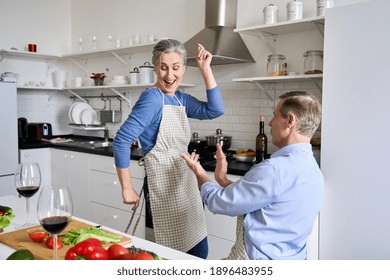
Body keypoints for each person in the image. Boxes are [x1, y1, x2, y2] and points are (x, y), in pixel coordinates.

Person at [113, 39, 224, 259]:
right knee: (169, 258)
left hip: (186, 188)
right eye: (163, 67)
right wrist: (126, 187)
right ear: (155, 68)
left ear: (184, 68)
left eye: (176, 68)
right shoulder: (152, 98)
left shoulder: (180, 99)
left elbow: (215, 110)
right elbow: (122, 140)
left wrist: (205, 69)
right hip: (163, 191)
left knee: (197, 254)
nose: (170, 75)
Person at [181, 91, 324, 260]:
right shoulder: (313, 169)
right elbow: (260, 200)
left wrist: (200, 174)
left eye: (275, 116)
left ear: (290, 120)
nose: (270, 123)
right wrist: (223, 180)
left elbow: (219, 202)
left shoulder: (273, 170)